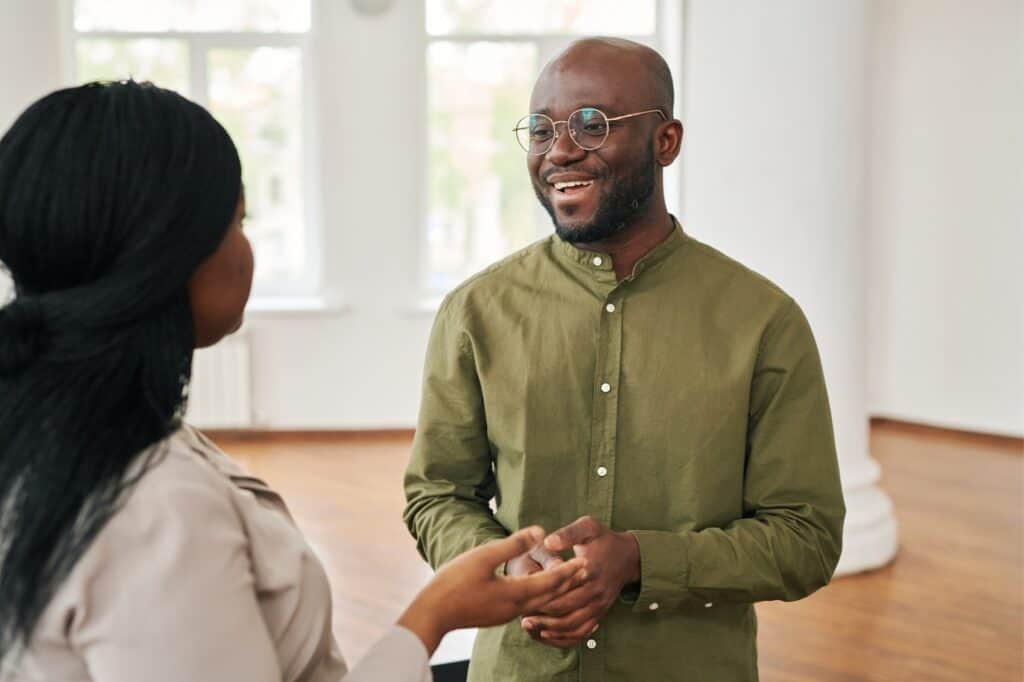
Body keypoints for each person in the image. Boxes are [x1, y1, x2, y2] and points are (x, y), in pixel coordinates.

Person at [0, 81, 586, 682]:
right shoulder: (157, 508)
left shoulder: (53, 432)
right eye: (237, 221)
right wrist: (432, 616)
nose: (246, 249)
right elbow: (439, 490)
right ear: (167, 254)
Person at [403, 37, 846, 681]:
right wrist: (507, 566)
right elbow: (435, 495)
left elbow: (807, 538)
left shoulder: (764, 323)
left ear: (665, 142)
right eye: (542, 129)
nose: (559, 151)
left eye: (591, 124)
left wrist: (640, 560)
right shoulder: (475, 312)